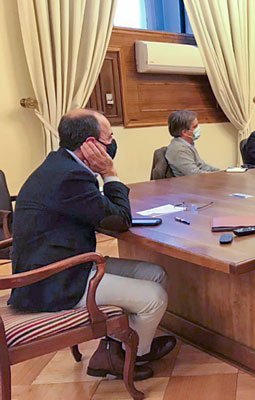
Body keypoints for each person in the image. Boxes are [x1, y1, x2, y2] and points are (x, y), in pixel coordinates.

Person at [9, 109, 176, 380]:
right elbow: (119, 219)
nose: (112, 144)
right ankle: (131, 357)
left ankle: (118, 348)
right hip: (53, 280)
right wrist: (110, 173)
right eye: (108, 138)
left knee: (156, 273)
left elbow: (102, 212)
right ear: (90, 144)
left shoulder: (61, 163)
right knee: (154, 298)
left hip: (65, 261)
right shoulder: (69, 177)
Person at [165, 110, 219, 176]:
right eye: (195, 127)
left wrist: (221, 172)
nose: (198, 128)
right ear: (184, 132)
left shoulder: (187, 144)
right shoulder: (179, 149)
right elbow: (194, 174)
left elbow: (201, 165)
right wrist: (216, 176)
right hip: (189, 185)